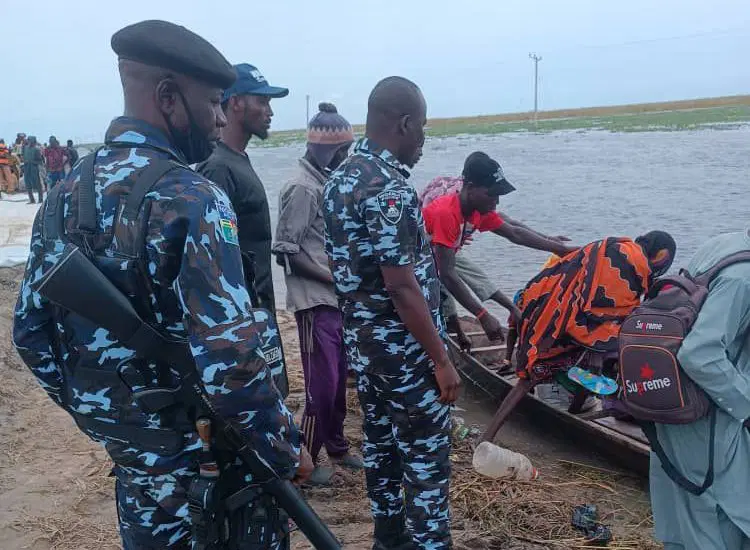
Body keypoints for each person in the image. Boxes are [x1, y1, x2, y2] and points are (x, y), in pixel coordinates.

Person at [13, 20, 310, 549]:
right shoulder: (191, 197)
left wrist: (108, 420)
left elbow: (31, 335)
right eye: (216, 102)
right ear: (169, 97)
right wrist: (286, 451)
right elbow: (231, 362)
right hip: (217, 472)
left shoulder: (62, 195)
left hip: (136, 466)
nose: (221, 118)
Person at [324, 76, 460, 550]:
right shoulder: (390, 190)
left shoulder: (340, 177)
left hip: (365, 351)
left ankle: (389, 539)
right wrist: (441, 359)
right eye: (421, 127)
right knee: (425, 458)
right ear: (404, 123)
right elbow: (402, 287)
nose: (423, 140)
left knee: (381, 448)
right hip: (406, 354)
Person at [273, 103, 363, 485]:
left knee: (338, 380)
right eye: (343, 152)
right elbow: (285, 252)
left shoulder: (323, 184)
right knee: (320, 388)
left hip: (333, 301)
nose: (346, 159)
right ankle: (303, 464)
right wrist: (334, 278)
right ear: (329, 151)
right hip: (315, 302)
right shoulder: (302, 188)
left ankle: (337, 444)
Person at [649, 229, 750, 550]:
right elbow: (700, 353)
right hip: (707, 415)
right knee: (723, 516)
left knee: (685, 513)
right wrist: (747, 408)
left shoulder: (722, 244)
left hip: (669, 397)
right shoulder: (743, 278)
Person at [422, 151, 576, 342]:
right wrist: (483, 315)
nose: (496, 201)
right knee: (438, 310)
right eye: (491, 194)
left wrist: (559, 248)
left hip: (435, 261)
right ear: (470, 187)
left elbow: (515, 233)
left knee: (470, 277)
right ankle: (450, 335)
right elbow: (447, 274)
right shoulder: (446, 213)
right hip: (414, 267)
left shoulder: (477, 211)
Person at [198, 63, 288, 314]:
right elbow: (213, 257)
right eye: (262, 101)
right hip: (242, 315)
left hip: (260, 310)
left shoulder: (238, 160)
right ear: (236, 103)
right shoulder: (218, 168)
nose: (269, 112)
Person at [22, 135, 44, 203]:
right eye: (29, 140)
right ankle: (32, 199)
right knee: (27, 183)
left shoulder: (36, 149)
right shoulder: (25, 148)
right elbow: (23, 157)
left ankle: (40, 199)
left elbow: (40, 161)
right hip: (26, 167)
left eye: (31, 140)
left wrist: (33, 162)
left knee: (37, 183)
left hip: (34, 168)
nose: (29, 141)